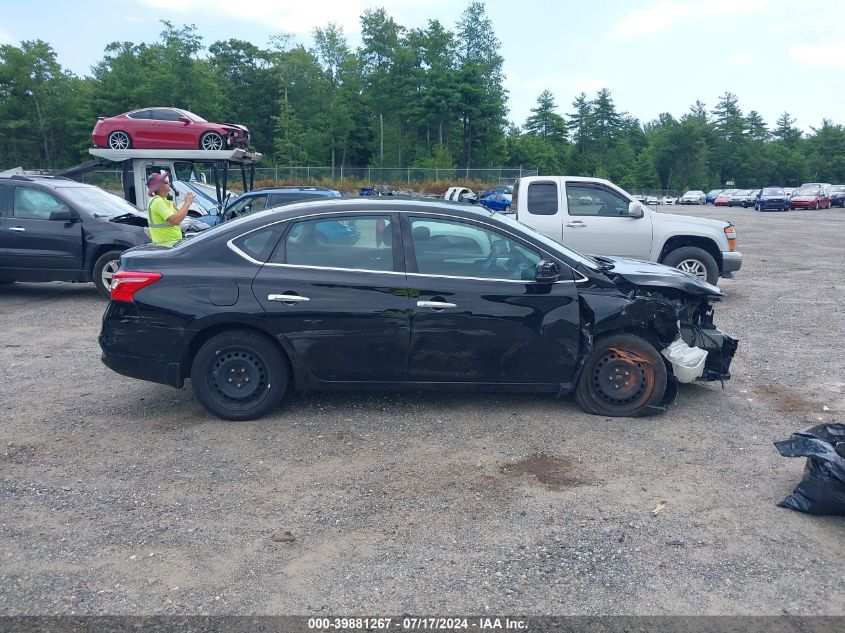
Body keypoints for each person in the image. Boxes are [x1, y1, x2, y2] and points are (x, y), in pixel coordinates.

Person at [146, 172, 195, 245]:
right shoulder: (157, 201)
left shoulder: (165, 200)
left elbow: (179, 216)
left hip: (172, 244)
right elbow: (176, 220)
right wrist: (187, 203)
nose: (169, 183)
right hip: (166, 246)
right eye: (165, 182)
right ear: (158, 186)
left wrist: (185, 202)